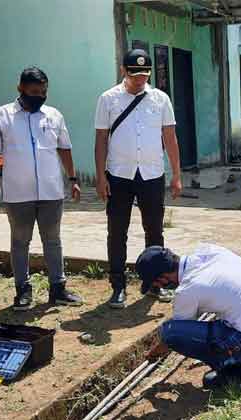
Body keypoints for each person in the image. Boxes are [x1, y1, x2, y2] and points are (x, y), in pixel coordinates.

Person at [0, 67, 83, 311]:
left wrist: (72, 179)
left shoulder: (54, 116)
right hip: (18, 193)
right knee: (20, 242)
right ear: (21, 89)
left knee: (53, 240)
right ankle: (23, 291)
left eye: (44, 91)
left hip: (51, 191)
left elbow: (64, 148)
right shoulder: (1, 116)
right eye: (34, 91)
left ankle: (58, 289)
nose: (39, 95)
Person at [94, 49, 183, 309]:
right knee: (117, 232)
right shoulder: (108, 99)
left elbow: (170, 138)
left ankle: (155, 284)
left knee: (154, 231)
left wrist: (177, 174)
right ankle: (118, 286)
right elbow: (100, 140)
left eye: (144, 75)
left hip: (152, 174)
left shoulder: (160, 99)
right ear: (124, 71)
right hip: (119, 175)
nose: (139, 79)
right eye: (134, 75)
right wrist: (100, 177)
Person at [136, 244, 241, 388]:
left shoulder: (187, 289)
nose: (159, 287)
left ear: (162, 279)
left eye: (156, 284)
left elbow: (176, 334)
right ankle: (240, 358)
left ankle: (233, 368)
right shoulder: (210, 252)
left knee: (169, 331)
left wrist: (155, 352)